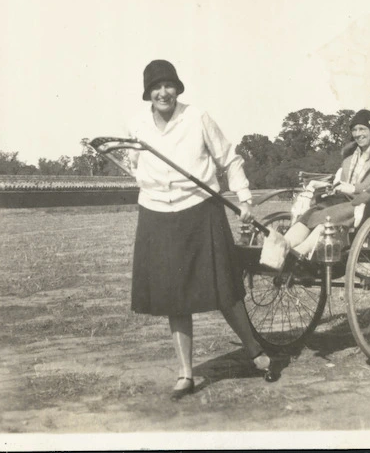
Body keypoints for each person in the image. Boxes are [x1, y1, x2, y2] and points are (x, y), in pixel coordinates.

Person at [106, 59, 272, 400]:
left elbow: (229, 158)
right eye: (156, 87)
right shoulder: (137, 125)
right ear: (147, 93)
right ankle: (186, 374)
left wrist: (244, 199)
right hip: (156, 214)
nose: (162, 92)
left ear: (177, 88)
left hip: (201, 210)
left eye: (168, 85)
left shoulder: (197, 117)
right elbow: (137, 166)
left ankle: (255, 351)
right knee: (173, 297)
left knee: (224, 288)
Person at [266, 109, 370, 265]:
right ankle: (282, 246)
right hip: (344, 201)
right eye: (354, 130)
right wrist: (335, 187)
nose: (358, 134)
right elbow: (342, 187)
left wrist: (354, 189)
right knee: (311, 213)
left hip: (368, 203)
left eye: (362, 129)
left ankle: (300, 252)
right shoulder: (349, 159)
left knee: (329, 217)